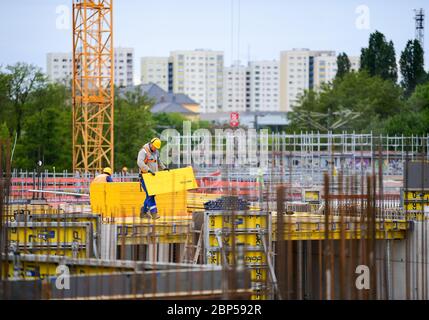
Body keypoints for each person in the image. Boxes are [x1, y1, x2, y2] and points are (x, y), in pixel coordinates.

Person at [137, 137, 169, 219]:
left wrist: (164, 167)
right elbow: (139, 162)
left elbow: (158, 161)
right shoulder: (143, 151)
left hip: (153, 177)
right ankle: (154, 213)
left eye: (156, 148)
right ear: (151, 144)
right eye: (154, 147)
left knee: (151, 194)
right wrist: (148, 170)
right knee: (150, 194)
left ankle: (143, 211)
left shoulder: (156, 152)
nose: (155, 149)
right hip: (145, 176)